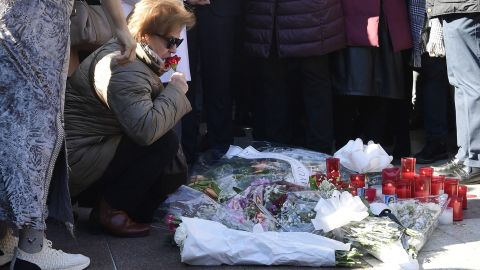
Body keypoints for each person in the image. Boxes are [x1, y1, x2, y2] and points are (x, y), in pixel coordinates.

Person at [0, 0, 135, 268]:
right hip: (40, 23)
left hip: (9, 20)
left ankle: (4, 238)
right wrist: (120, 27)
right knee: (36, 131)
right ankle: (32, 248)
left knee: (10, 125)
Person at [65, 0, 195, 237]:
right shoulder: (125, 67)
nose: (175, 49)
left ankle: (118, 206)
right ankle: (110, 211)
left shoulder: (133, 56)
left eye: (179, 41)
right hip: (80, 164)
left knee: (147, 208)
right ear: (145, 35)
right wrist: (175, 91)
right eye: (170, 41)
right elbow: (146, 130)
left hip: (89, 151)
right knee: (162, 141)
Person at [244, 0, 345, 154]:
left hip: (278, 19)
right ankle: (319, 160)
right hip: (313, 19)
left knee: (275, 93)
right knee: (315, 94)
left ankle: (278, 158)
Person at [331, 0, 412, 158]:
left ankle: (371, 155)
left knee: (378, 94)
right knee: (356, 94)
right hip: (359, 20)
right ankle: (356, 155)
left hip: (383, 20)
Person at [181, 0, 243, 164]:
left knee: (220, 79)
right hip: (178, 8)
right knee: (181, 80)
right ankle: (185, 150)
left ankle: (221, 148)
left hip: (220, 8)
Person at [426, 0, 480, 183]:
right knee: (460, 85)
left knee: (471, 87)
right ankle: (465, 155)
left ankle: (475, 159)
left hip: (465, 8)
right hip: (454, 8)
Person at [408, 0, 451, 164]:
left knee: (433, 80)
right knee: (431, 80)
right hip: (431, 19)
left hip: (433, 21)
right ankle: (437, 139)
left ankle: (437, 142)